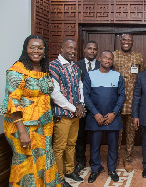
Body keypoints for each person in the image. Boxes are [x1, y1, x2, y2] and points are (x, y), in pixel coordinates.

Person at [0, 35, 62, 186]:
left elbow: (47, 96)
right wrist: (22, 132)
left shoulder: (44, 69)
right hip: (23, 125)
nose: (36, 51)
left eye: (40, 48)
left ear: (44, 51)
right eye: (32, 47)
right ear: (25, 49)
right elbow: (13, 102)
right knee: (26, 163)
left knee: (43, 160)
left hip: (44, 125)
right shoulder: (16, 71)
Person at [83, 50, 126, 183]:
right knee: (94, 145)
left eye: (110, 59)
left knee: (113, 146)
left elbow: (122, 95)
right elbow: (86, 96)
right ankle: (95, 169)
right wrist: (95, 113)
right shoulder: (90, 75)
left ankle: (112, 169)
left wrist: (114, 113)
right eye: (105, 58)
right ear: (100, 59)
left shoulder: (117, 75)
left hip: (112, 117)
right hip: (95, 117)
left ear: (112, 61)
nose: (107, 60)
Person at [49, 39, 86, 184]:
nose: (72, 51)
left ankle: (69, 171)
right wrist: (74, 108)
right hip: (62, 115)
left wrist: (81, 104)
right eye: (69, 48)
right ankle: (59, 177)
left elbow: (80, 86)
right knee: (59, 147)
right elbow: (55, 94)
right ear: (62, 48)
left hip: (75, 115)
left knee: (72, 144)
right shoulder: (54, 66)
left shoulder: (76, 67)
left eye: (75, 49)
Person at [113, 33, 144, 172]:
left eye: (129, 40)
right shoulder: (113, 55)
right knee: (116, 134)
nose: (126, 42)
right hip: (116, 102)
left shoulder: (138, 57)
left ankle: (128, 159)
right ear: (121, 41)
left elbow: (142, 77)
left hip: (133, 102)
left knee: (131, 135)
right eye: (124, 40)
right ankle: (116, 159)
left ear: (132, 42)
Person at [74, 40, 103, 174]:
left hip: (97, 107)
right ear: (85, 49)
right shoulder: (76, 65)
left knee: (95, 136)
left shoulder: (101, 65)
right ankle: (81, 161)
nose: (92, 51)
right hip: (80, 107)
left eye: (95, 49)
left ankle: (95, 161)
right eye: (90, 48)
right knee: (80, 135)